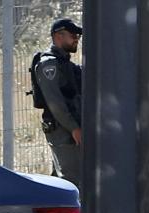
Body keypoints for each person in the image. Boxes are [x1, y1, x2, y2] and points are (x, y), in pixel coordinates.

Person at [33, 18, 83, 189]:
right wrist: (74, 128)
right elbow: (55, 103)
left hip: (69, 128)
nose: (76, 39)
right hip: (63, 130)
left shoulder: (66, 65)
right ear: (58, 36)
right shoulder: (49, 65)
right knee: (72, 182)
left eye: (77, 36)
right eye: (73, 35)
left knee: (60, 180)